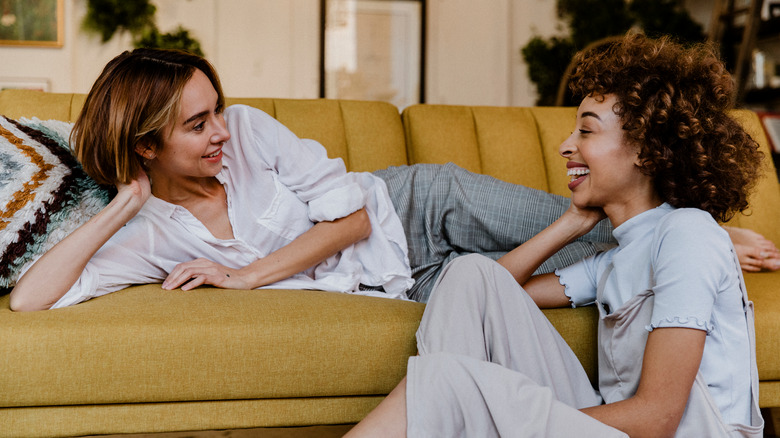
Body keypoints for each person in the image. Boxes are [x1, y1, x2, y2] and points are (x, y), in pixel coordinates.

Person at [8, 46, 778, 312]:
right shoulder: (148, 228)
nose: (219, 132)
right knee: (597, 268)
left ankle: (700, 235)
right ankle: (696, 243)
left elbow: (349, 223)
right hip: (401, 285)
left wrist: (246, 281)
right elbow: (31, 300)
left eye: (214, 111)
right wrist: (122, 207)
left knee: (615, 231)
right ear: (143, 147)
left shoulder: (247, 130)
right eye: (195, 125)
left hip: (417, 206)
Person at [345, 34, 765, 437]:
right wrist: (571, 223)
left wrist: (505, 418)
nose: (565, 146)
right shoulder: (615, 257)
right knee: (467, 272)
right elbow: (488, 290)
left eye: (586, 130)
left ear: (645, 147)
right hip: (615, 426)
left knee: (443, 383)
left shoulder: (688, 234)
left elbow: (657, 419)